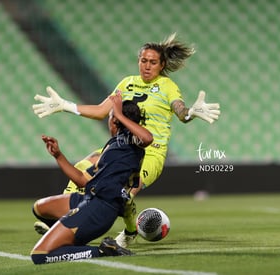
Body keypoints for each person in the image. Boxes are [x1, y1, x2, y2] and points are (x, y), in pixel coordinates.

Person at [32, 33, 221, 247]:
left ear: (162, 65)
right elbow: (101, 111)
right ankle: (65, 220)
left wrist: (191, 113)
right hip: (122, 146)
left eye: (152, 62)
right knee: (84, 165)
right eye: (143, 61)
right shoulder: (127, 83)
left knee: (126, 190)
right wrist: (65, 105)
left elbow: (180, 112)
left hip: (151, 151)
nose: (147, 66)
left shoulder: (167, 86)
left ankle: (130, 231)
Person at [30, 94, 153, 264]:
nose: (109, 121)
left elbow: (148, 138)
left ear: (116, 120)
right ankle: (69, 241)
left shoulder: (130, 141)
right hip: (91, 199)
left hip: (100, 207)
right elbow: (82, 180)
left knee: (40, 255)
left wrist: (118, 113)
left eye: (110, 117)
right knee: (40, 207)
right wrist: (58, 156)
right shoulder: (115, 145)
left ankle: (103, 250)